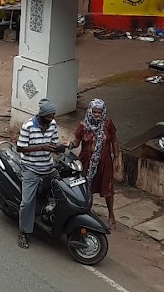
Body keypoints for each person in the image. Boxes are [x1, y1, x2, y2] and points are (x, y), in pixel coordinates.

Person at [15, 98, 62, 249]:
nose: (51, 120)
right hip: (31, 168)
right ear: (41, 115)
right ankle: (23, 232)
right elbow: (20, 148)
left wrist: (60, 147)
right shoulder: (28, 126)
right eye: (48, 117)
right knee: (27, 202)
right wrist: (42, 147)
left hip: (48, 167)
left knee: (63, 190)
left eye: (53, 116)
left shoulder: (53, 125)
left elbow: (53, 144)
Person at [73, 97, 119, 229]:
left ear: (103, 112)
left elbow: (115, 141)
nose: (97, 115)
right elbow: (76, 142)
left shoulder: (108, 124)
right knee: (88, 189)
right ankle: (87, 212)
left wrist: (116, 157)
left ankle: (111, 215)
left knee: (108, 189)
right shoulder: (83, 125)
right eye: (95, 112)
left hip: (105, 163)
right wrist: (69, 145)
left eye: (100, 112)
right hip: (87, 162)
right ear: (90, 111)